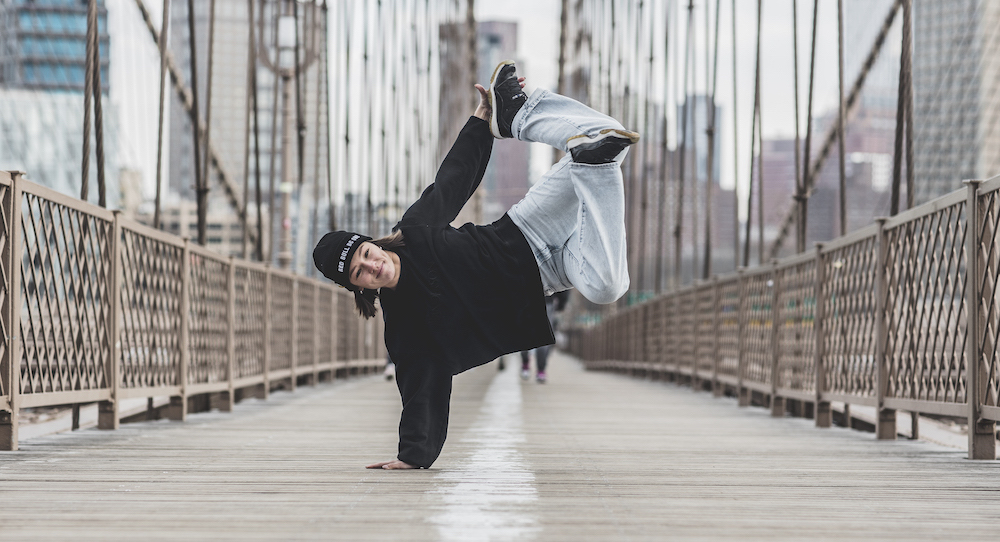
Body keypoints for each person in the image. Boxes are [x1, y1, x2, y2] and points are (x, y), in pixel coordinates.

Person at [313, 60, 637, 470]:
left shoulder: (414, 231)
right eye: (360, 272)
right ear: (360, 288)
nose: (372, 265)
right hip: (551, 275)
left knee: (606, 135)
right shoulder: (405, 329)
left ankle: (518, 112)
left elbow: (454, 179)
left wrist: (482, 121)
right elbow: (421, 389)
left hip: (529, 227)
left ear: (370, 243)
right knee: (607, 286)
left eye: (365, 253)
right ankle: (593, 166)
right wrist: (412, 456)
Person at [520, 290, 569, 383]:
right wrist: (562, 302)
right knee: (543, 334)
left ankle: (525, 363)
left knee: (525, 331)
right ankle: (540, 371)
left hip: (525, 298)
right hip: (546, 299)